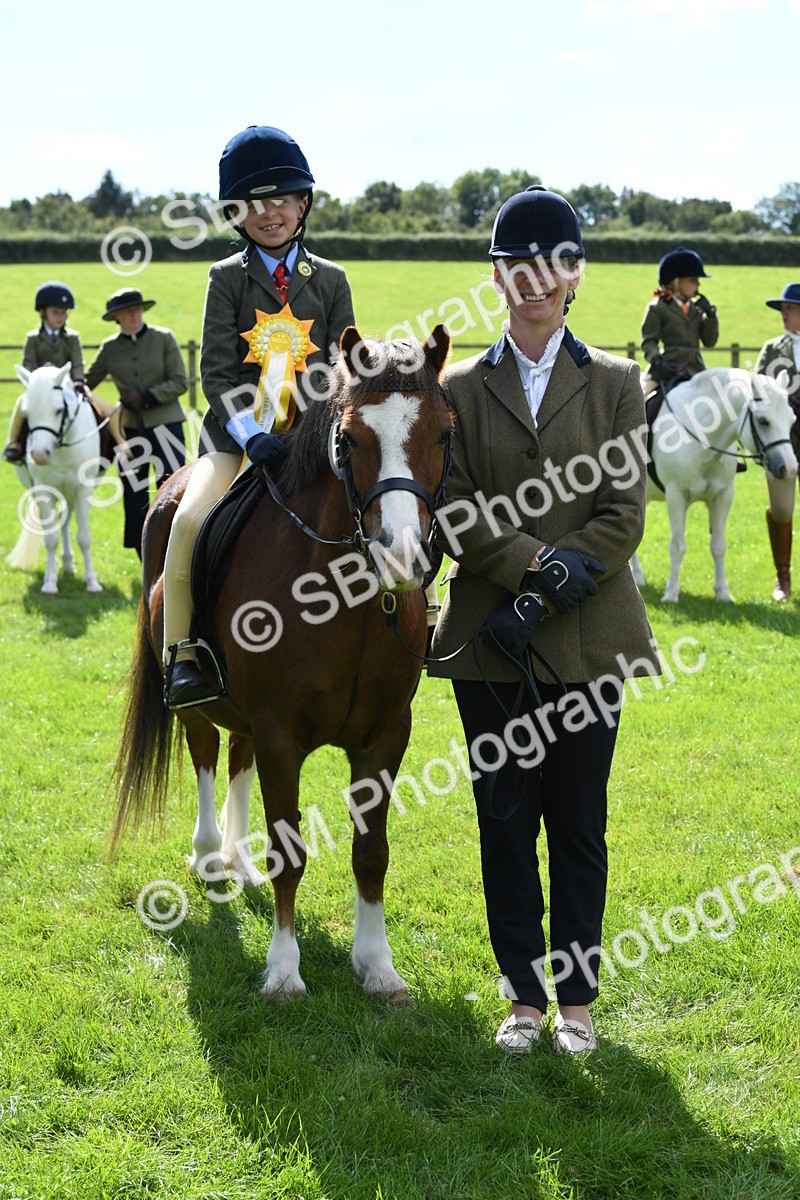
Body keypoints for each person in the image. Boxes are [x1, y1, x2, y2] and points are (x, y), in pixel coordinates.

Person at [429, 186, 660, 1055]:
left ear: (575, 276)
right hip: (491, 641)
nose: (535, 281)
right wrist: (534, 564)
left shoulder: (616, 381)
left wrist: (565, 571)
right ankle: (524, 996)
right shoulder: (455, 386)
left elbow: (624, 510)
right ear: (497, 276)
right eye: (517, 266)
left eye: (553, 265)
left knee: (577, 817)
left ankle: (577, 1001)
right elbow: (449, 504)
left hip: (590, 636)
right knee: (505, 815)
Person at [161, 124, 355, 709]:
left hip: (312, 438)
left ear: (303, 204)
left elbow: (344, 367)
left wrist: (308, 431)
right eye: (254, 204)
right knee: (188, 521)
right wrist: (253, 435)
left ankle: (398, 627)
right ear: (236, 213)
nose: (270, 214)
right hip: (235, 442)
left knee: (377, 502)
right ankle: (183, 655)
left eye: (282, 200)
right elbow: (217, 376)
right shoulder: (225, 280)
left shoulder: (330, 281)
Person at [85, 288, 188, 558]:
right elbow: (85, 383)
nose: (134, 313)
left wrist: (147, 397)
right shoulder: (110, 348)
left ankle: (174, 548)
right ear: (116, 317)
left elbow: (180, 382)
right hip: (129, 432)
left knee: (171, 488)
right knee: (133, 494)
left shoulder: (163, 338)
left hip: (167, 426)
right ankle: (143, 555)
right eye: (128, 310)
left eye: (138, 308)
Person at [3, 281, 85, 463]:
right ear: (43, 312)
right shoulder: (33, 339)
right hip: (41, 390)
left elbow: (78, 364)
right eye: (56, 312)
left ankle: (115, 444)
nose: (60, 317)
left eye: (63, 313)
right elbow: (29, 365)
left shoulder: (72, 338)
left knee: (102, 408)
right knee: (21, 403)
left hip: (69, 388)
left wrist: (79, 380)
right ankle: (14, 443)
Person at [755, 282, 800, 601]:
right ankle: (782, 579)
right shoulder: (772, 348)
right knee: (782, 510)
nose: (784, 314)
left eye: (790, 309)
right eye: (783, 309)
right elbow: (756, 394)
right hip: (782, 442)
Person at [640, 246, 719, 397]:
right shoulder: (657, 307)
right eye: (693, 280)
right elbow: (649, 342)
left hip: (696, 368)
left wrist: (711, 316)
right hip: (667, 368)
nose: (698, 284)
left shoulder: (697, 309)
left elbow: (710, 341)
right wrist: (657, 361)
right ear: (676, 281)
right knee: (641, 398)